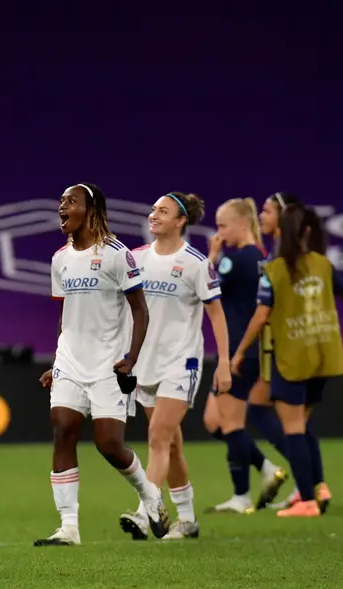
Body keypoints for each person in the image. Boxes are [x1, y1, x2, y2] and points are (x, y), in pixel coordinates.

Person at [34, 183, 168, 547]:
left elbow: (141, 311)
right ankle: (69, 528)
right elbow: (66, 315)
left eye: (70, 202)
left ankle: (150, 494)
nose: (62, 208)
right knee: (62, 429)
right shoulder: (60, 258)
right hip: (70, 362)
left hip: (109, 365)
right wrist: (56, 359)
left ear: (90, 209)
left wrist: (132, 358)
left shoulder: (116, 255)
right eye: (61, 202)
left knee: (109, 444)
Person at [117, 192, 230, 541]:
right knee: (172, 445)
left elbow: (216, 314)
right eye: (152, 210)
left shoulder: (196, 263)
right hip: (144, 365)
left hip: (181, 362)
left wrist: (224, 363)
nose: (154, 215)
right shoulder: (134, 258)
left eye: (162, 211)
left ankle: (143, 512)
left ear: (180, 220)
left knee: (158, 438)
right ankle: (187, 519)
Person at [231, 202, 343, 517]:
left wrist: (239, 352)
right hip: (325, 356)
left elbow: (262, 315)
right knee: (300, 424)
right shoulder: (323, 264)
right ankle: (316, 487)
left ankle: (307, 499)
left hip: (292, 358)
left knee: (293, 428)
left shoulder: (275, 270)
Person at [202, 198, 287, 514]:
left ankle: (244, 494)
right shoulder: (264, 259)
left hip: (236, 351)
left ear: (241, 224)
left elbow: (206, 291)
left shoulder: (233, 261)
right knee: (215, 420)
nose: (220, 233)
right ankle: (264, 469)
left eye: (223, 226)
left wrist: (212, 256)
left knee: (230, 423)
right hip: (255, 352)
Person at [254, 193, 332, 510]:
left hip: (287, 349)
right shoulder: (280, 254)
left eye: (268, 210)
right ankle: (315, 485)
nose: (262, 214)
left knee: (270, 413)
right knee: (296, 420)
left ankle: (308, 487)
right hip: (291, 347)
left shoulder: (291, 259)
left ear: (284, 217)